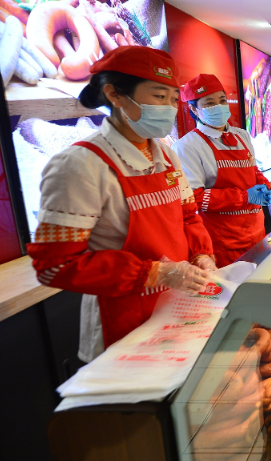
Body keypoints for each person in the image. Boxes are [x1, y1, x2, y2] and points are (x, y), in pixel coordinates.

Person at [26, 46, 217, 362]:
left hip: (180, 307)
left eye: (172, 99)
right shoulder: (79, 164)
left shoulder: (167, 156)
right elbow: (55, 265)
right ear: (114, 94)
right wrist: (156, 273)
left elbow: (188, 216)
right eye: (158, 97)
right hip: (122, 319)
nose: (169, 108)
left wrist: (203, 255)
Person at [173, 74, 271, 268]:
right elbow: (194, 198)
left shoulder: (241, 135)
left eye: (222, 100)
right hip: (223, 241)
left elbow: (254, 170)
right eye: (209, 103)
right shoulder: (187, 146)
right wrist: (244, 197)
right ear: (194, 109)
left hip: (256, 231)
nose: (218, 106)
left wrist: (263, 185)